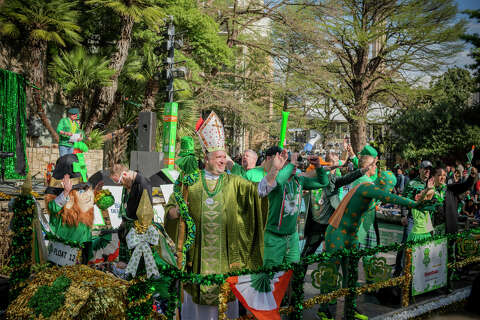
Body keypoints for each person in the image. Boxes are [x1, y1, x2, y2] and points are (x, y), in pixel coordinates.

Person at [164, 112, 287, 319]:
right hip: (197, 259)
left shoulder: (233, 182)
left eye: (224, 157)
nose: (222, 161)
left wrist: (273, 171)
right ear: (206, 159)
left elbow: (259, 191)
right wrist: (175, 212)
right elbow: (170, 209)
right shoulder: (190, 182)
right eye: (218, 158)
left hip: (225, 259)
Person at [320, 171, 428, 320]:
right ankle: (324, 309)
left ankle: (350, 308)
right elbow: (389, 197)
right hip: (337, 232)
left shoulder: (373, 192)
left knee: (351, 273)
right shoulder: (368, 188)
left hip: (351, 235)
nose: (391, 190)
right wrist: (414, 204)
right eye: (390, 187)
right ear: (384, 183)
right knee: (332, 272)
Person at [262, 152, 329, 268]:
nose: (295, 165)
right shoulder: (273, 181)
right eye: (288, 162)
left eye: (296, 162)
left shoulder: (299, 181)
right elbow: (278, 180)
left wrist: (318, 166)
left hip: (292, 238)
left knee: (292, 273)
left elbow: (323, 182)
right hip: (274, 237)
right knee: (271, 275)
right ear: (281, 164)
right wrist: (291, 163)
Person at [393, 160, 432, 276]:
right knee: (406, 243)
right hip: (412, 218)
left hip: (426, 219)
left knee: (425, 244)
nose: (427, 171)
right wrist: (404, 215)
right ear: (420, 169)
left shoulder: (431, 183)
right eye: (425, 169)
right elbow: (404, 200)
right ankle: (398, 270)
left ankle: (419, 271)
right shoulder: (412, 183)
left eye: (429, 170)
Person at [109, 163, 153, 261]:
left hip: (139, 232)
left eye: (120, 182)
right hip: (127, 231)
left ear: (124, 175)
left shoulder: (143, 184)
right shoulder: (129, 183)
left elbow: (147, 214)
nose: (121, 185)